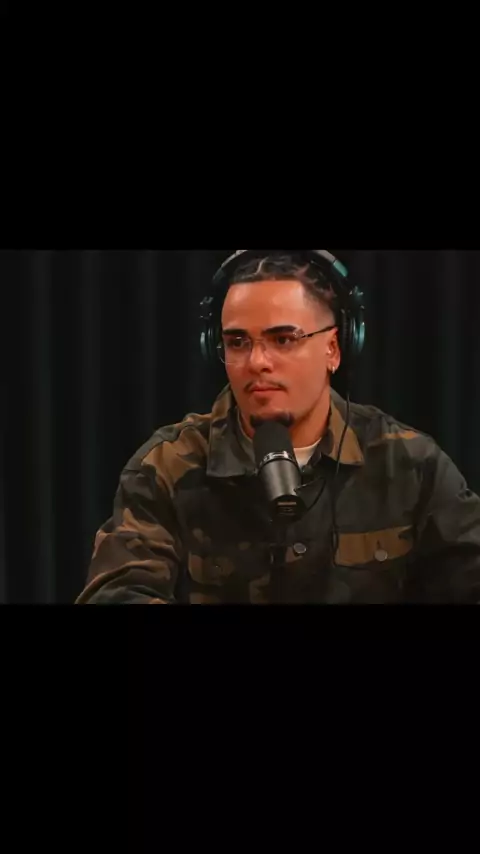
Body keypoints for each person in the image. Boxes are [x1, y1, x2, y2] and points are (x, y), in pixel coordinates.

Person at [75, 250, 480, 604]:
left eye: (283, 339)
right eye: (238, 342)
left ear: (334, 348)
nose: (257, 362)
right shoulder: (168, 465)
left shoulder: (408, 463)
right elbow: (117, 593)